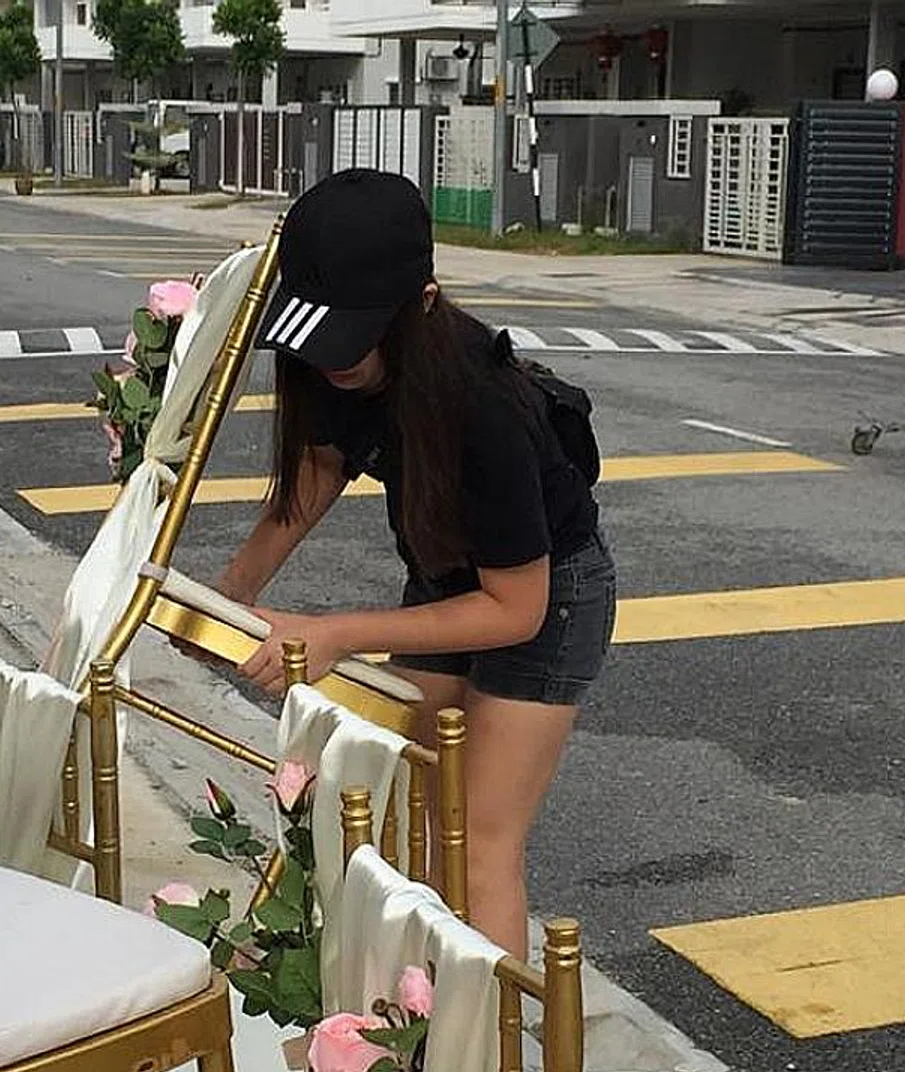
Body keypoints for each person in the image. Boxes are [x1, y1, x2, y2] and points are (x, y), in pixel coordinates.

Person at [217, 168, 616, 964]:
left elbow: (515, 610)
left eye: (354, 338)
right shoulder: (329, 357)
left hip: (545, 601)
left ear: (423, 302)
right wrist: (228, 600)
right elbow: (318, 473)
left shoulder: (484, 405)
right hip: (446, 584)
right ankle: (412, 1026)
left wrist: (336, 634)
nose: (332, 360)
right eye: (318, 335)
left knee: (479, 840)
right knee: (404, 807)